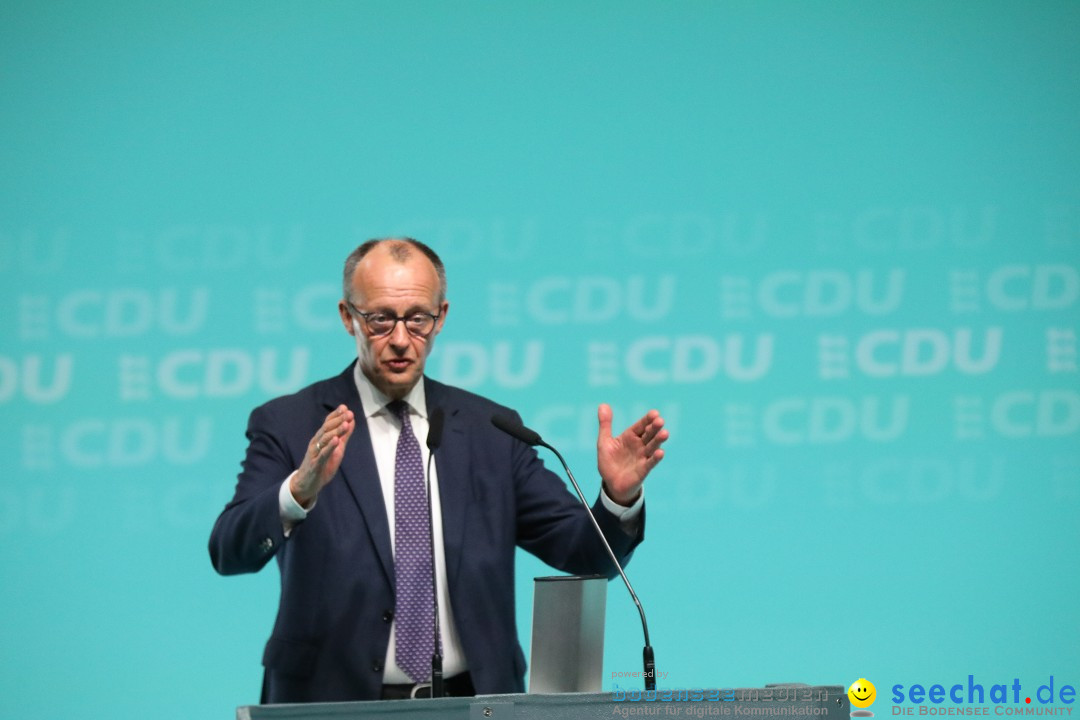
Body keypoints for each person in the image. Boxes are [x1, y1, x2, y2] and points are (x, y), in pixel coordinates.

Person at [209, 238, 669, 703]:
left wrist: (617, 497)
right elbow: (229, 550)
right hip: (331, 702)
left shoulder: (492, 431)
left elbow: (584, 554)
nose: (402, 339)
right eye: (381, 319)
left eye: (418, 319)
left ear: (441, 316)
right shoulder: (290, 424)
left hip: (474, 703)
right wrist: (297, 493)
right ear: (348, 317)